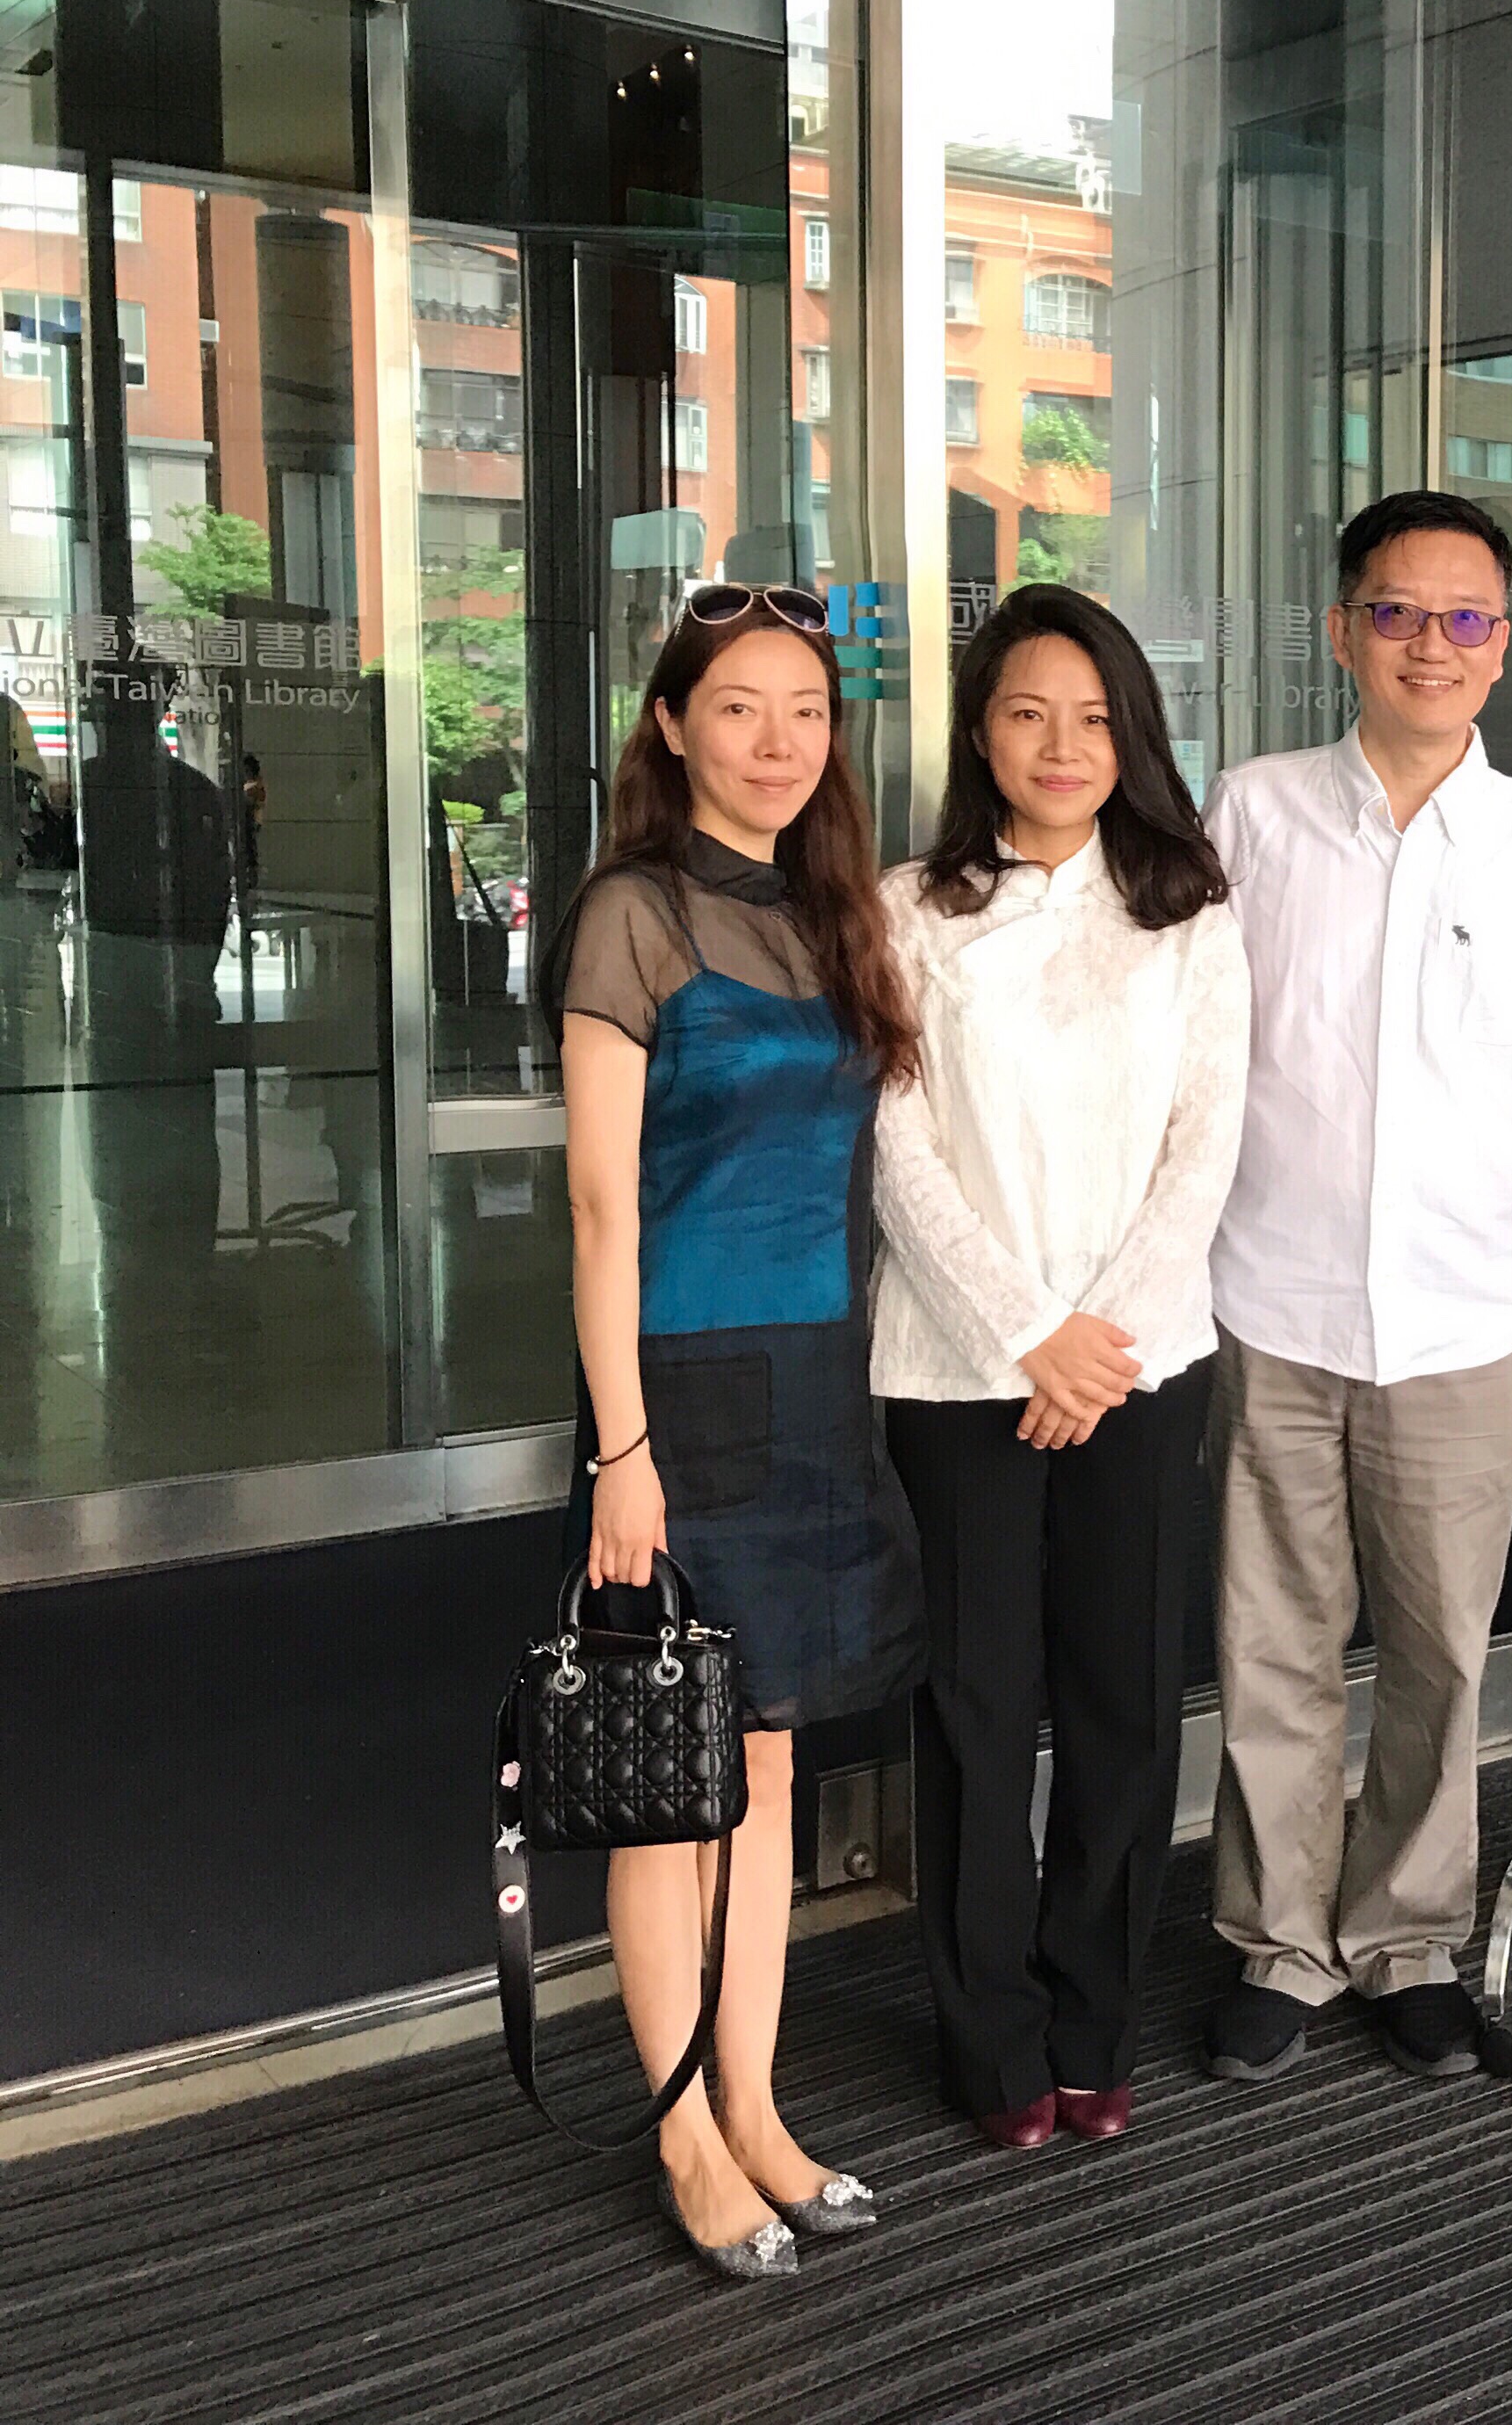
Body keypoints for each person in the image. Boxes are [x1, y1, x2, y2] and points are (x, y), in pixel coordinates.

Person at [1199, 489, 1512, 2085]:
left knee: (1445, 1654)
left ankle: (1406, 1941)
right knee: (1273, 1642)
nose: (1430, 645)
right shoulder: (1251, 816)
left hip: (1462, 1320)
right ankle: (1278, 1943)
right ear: (1343, 632)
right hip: (1270, 1302)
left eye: (1465, 619)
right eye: (1397, 613)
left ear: (1502, 647)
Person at [544, 583, 927, 2281]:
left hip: (819, 1381)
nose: (778, 743)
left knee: (762, 1766)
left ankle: (756, 2105)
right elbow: (600, 1211)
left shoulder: (835, 914)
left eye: (806, 711)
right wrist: (621, 1453)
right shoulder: (633, 913)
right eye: (739, 708)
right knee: (670, 1782)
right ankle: (684, 2138)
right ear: (673, 725)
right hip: (680, 1394)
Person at [872, 583, 1248, 2151]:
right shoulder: (906, 910)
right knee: (975, 1709)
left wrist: (1098, 1344)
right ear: (981, 731)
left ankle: (1092, 2019)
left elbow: (1206, 1140)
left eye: (1094, 718)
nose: (1061, 744)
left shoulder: (1188, 911)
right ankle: (991, 2039)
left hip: (1142, 1367)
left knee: (1122, 1707)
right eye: (1028, 712)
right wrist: (1025, 1331)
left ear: (1131, 737)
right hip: (957, 1371)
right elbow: (893, 1143)